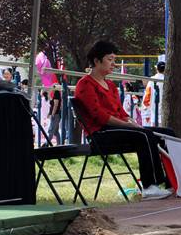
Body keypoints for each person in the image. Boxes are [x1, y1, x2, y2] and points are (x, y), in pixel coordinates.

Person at [73, 40, 172, 199]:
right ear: (97, 61)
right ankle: (150, 186)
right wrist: (130, 126)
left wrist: (134, 124)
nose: (114, 64)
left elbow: (122, 112)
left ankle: (171, 181)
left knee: (166, 133)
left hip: (118, 128)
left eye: (114, 60)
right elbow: (100, 116)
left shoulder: (111, 85)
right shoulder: (85, 84)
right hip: (100, 133)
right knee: (143, 136)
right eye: (110, 59)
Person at [141, 58, 165, 127]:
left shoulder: (152, 80)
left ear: (157, 69)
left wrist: (146, 110)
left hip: (154, 114)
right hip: (165, 114)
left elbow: (147, 96)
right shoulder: (167, 80)